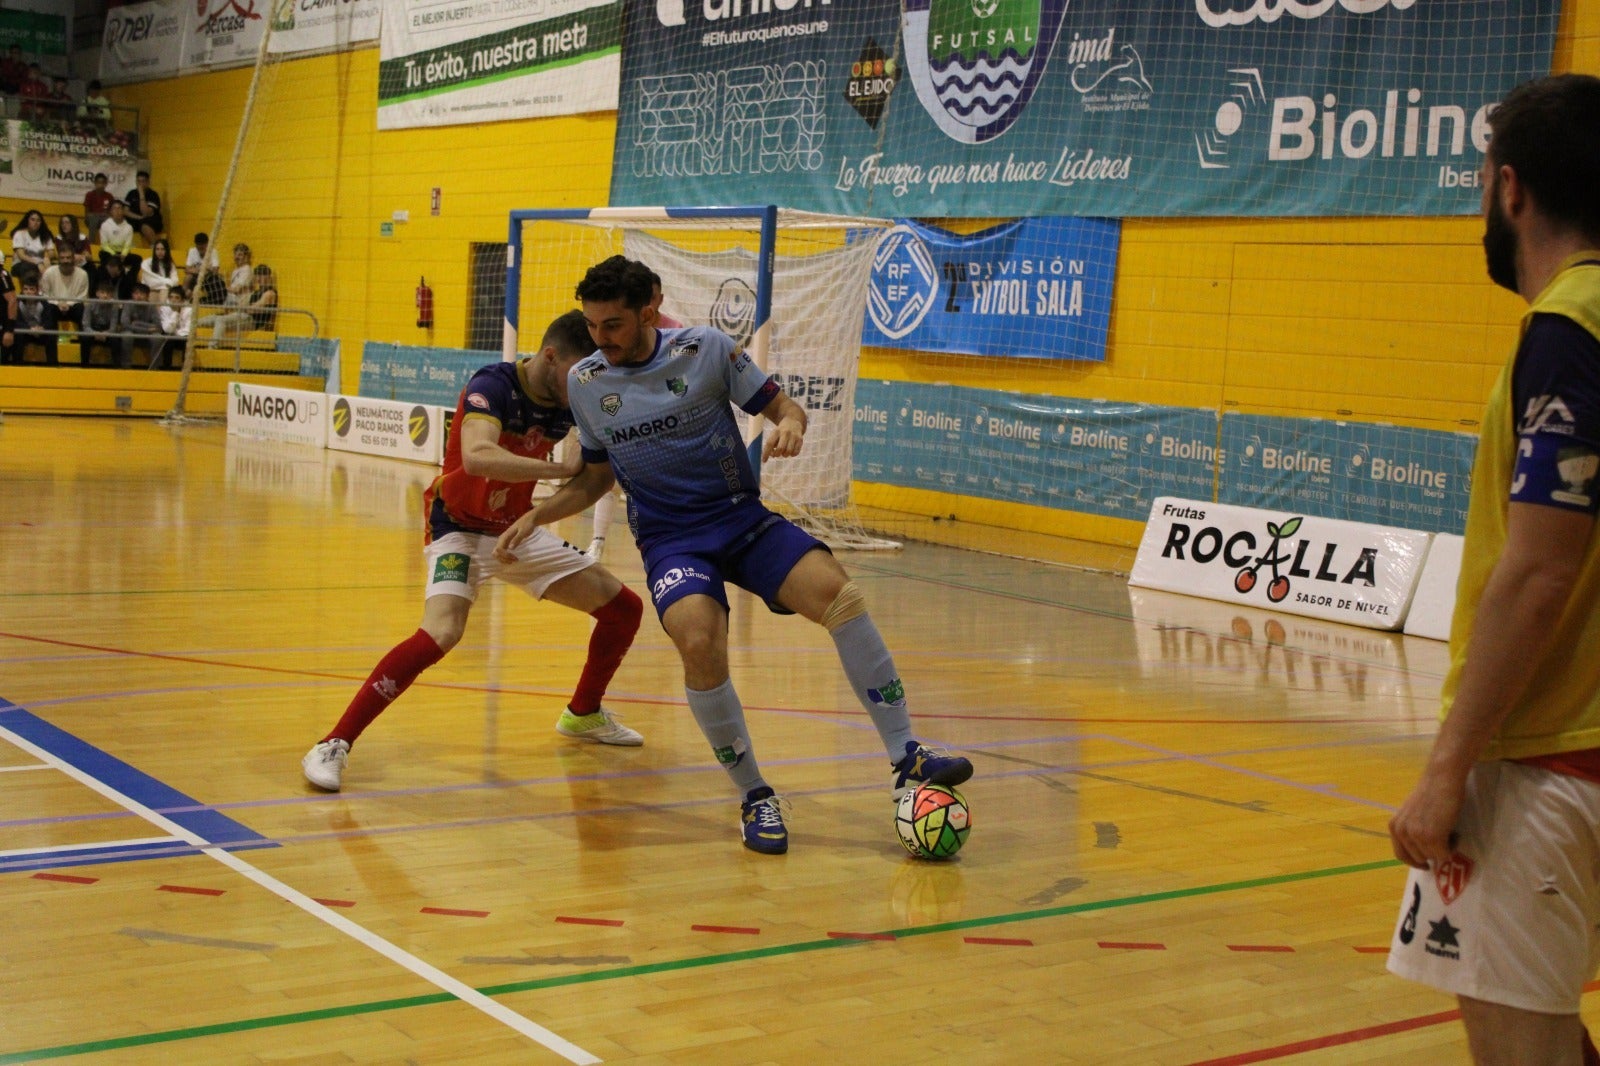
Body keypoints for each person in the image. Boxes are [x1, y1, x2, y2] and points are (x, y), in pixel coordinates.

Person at [495, 258, 973, 855]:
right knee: (698, 640)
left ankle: (907, 753)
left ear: (650, 308)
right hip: (671, 539)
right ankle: (755, 795)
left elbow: (783, 408)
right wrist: (540, 513)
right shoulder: (588, 383)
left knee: (840, 595)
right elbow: (595, 478)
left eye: (612, 325)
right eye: (591, 326)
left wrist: (791, 427)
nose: (600, 340)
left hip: (740, 520)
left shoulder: (707, 349)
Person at [1386, 74, 1600, 1066]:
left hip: (1549, 747)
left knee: (1520, 1046)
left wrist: (1445, 770)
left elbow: (1538, 572)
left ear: (1510, 190)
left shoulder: (1568, 328)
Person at [302, 310, 647, 792]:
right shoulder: (494, 384)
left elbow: (594, 477)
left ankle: (583, 713)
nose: (588, 381)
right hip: (458, 528)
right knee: (442, 631)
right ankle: (333, 742)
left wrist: (540, 514)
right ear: (551, 357)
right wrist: (555, 471)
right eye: (580, 370)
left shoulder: (578, 399)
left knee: (623, 610)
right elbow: (478, 455)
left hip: (514, 531)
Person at [583, 259, 681, 563]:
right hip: (616, 413)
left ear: (656, 303)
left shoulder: (676, 332)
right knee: (605, 478)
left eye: (652, 298)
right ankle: (597, 541)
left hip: (659, 420)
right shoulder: (604, 342)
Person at [213, 263, 277, 338]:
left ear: (268, 277)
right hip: (243, 316)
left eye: (261, 275)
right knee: (213, 318)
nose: (258, 279)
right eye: (257, 276)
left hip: (252, 322)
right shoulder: (256, 292)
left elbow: (253, 309)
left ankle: (213, 347)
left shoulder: (270, 293)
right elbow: (242, 305)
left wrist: (245, 307)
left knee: (220, 320)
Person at [39, 256, 87, 354]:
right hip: (54, 306)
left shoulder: (82, 274)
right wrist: (58, 303)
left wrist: (68, 304)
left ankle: (85, 363)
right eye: (63, 258)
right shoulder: (49, 272)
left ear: (73, 259)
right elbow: (45, 294)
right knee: (49, 310)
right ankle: (52, 362)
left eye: (69, 258)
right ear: (59, 258)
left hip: (74, 306)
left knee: (81, 310)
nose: (65, 261)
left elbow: (82, 296)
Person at [118, 282, 162, 369]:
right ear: (132, 295)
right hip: (133, 331)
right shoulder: (128, 304)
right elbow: (125, 324)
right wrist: (148, 329)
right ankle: (126, 366)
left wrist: (137, 324)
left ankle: (155, 367)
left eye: (142, 294)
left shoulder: (152, 306)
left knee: (158, 337)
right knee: (127, 335)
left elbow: (158, 326)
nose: (139, 296)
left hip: (147, 333)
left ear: (147, 296)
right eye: (136, 293)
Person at [13, 273, 52, 365]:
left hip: (40, 332)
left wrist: (42, 328)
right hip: (25, 332)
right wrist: (29, 329)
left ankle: (52, 366)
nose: (28, 292)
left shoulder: (44, 303)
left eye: (31, 289)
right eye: (25, 289)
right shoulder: (17, 302)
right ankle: (17, 365)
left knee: (52, 337)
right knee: (17, 336)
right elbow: (16, 321)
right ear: (22, 290)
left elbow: (49, 321)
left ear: (37, 291)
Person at [81, 277, 119, 366]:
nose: (105, 296)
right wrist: (95, 333)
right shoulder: (90, 304)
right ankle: (84, 366)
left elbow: (113, 327)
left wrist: (106, 333)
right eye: (102, 293)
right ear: (97, 293)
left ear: (112, 295)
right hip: (93, 330)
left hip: (107, 331)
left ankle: (117, 368)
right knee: (84, 338)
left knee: (116, 341)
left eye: (108, 294)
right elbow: (86, 325)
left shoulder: (114, 306)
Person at [124, 171, 163, 246]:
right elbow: (125, 211)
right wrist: (138, 217)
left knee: (145, 225)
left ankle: (155, 246)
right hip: (136, 219)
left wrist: (141, 194)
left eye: (143, 181)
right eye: (138, 181)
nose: (140, 184)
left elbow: (145, 213)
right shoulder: (131, 193)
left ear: (148, 182)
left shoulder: (153, 195)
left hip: (151, 220)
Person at [98, 201, 138, 274]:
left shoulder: (129, 227)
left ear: (123, 211)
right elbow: (104, 245)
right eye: (114, 209)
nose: (117, 211)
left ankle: (129, 278)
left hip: (122, 254)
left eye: (119, 208)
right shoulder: (105, 225)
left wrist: (123, 254)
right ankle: (105, 279)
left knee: (138, 259)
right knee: (102, 254)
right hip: (110, 253)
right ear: (111, 211)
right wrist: (113, 254)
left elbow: (127, 245)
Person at [84, 173, 116, 238]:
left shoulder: (109, 196)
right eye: (99, 182)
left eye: (103, 183)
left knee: (108, 219)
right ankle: (91, 243)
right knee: (93, 218)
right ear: (95, 183)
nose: (100, 185)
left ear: (106, 184)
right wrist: (96, 215)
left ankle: (107, 243)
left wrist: (105, 215)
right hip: (91, 219)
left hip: (103, 219)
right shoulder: (90, 195)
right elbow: (87, 213)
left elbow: (111, 212)